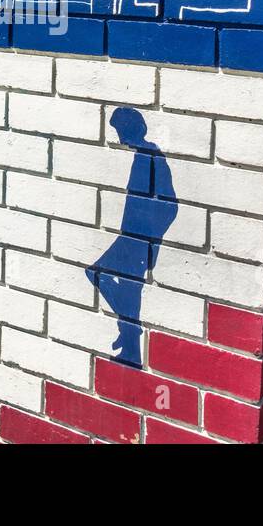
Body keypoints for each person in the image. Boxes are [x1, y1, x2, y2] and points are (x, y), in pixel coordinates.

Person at [86, 107, 178, 367]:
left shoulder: (151, 158)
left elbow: (170, 205)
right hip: (130, 238)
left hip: (137, 241)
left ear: (131, 129)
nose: (118, 135)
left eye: (120, 130)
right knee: (111, 282)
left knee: (119, 285)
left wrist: (149, 238)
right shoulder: (143, 156)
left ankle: (131, 342)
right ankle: (129, 337)